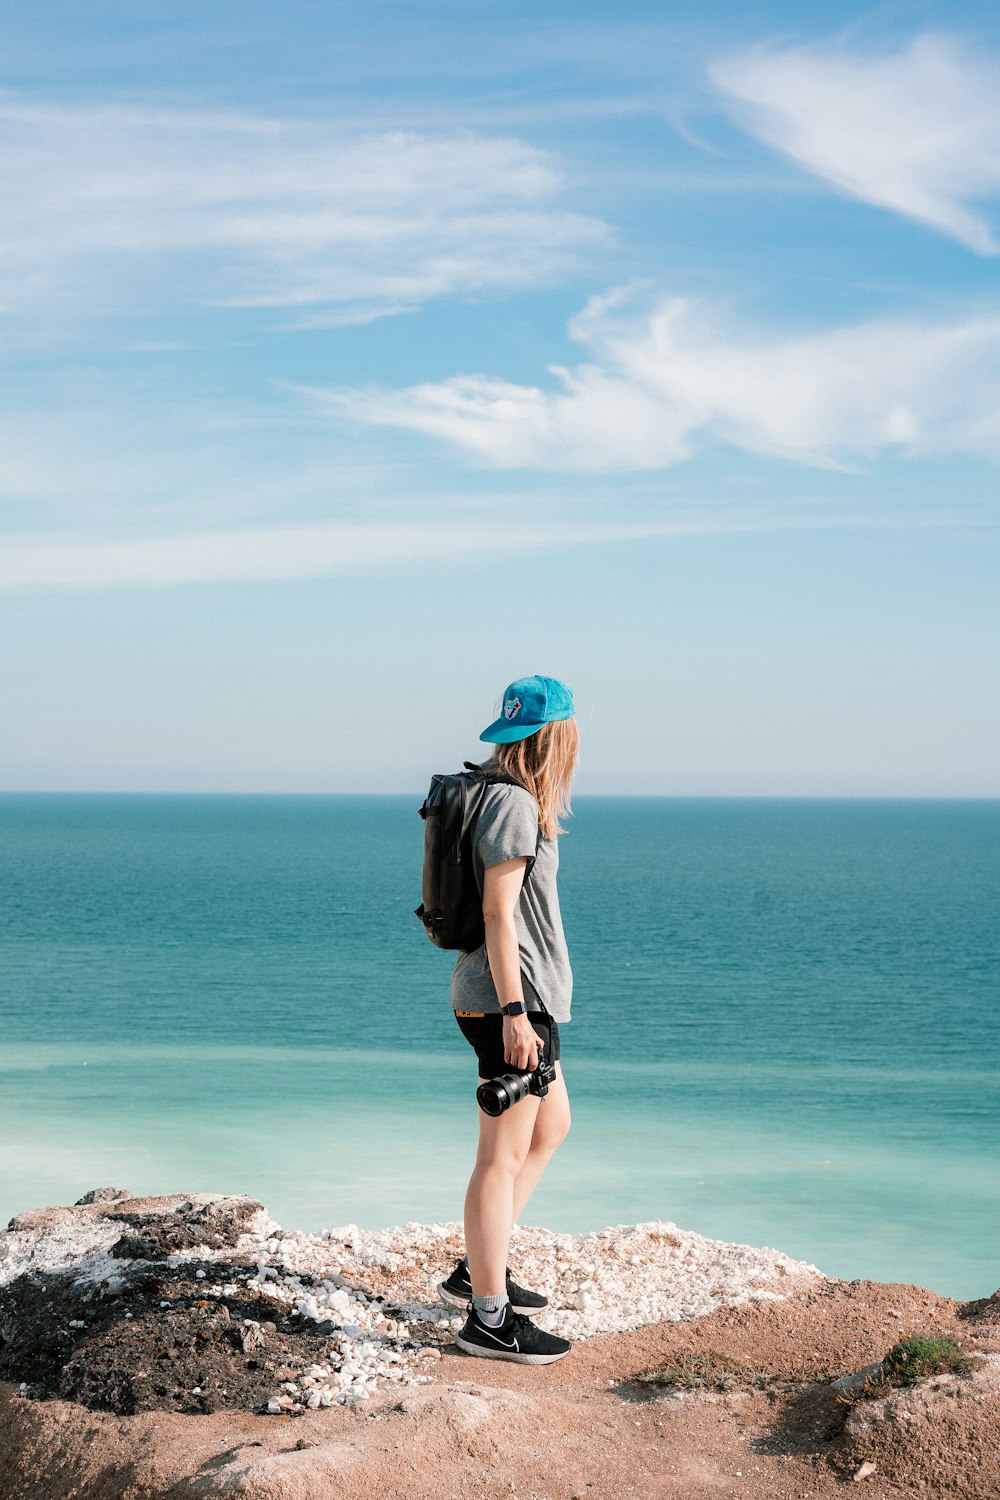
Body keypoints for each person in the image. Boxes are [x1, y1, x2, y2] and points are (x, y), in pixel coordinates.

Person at [436, 675, 578, 1364]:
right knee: (500, 1158)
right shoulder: (514, 806)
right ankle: (487, 1320)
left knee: (552, 1125)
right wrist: (517, 1014)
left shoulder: (497, 795)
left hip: (510, 999)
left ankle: (476, 1266)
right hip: (507, 1003)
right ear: (556, 738)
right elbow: (498, 913)